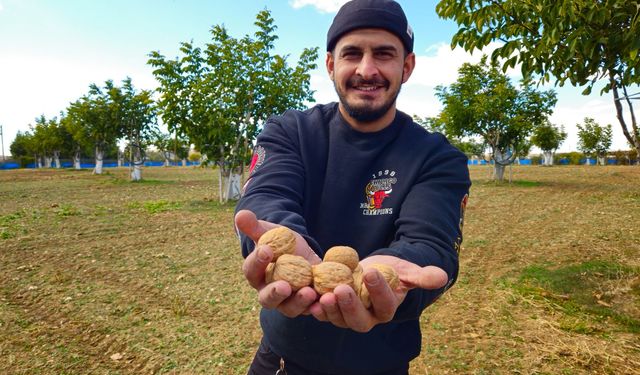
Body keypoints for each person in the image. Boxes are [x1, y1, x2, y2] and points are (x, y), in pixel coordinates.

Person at [234, 0, 471, 374]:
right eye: (352, 54)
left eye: (383, 54)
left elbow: (432, 243)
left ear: (406, 66)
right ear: (331, 64)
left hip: (382, 363)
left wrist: (388, 277)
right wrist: (280, 245)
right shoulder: (289, 131)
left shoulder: (438, 157)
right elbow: (268, 196)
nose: (366, 69)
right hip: (283, 358)